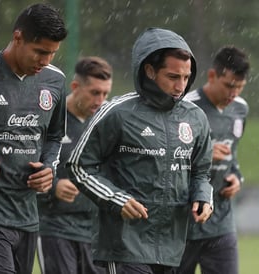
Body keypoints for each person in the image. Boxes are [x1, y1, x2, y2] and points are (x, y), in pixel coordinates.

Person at [66, 27, 214, 274]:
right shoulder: (117, 113)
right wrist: (117, 199)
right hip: (125, 243)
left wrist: (203, 196)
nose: (181, 85)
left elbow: (202, 171)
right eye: (173, 76)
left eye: (186, 77)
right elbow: (79, 167)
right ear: (149, 71)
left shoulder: (195, 117)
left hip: (171, 245)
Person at [0, 3, 67, 274]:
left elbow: (55, 136)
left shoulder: (55, 81)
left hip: (27, 216)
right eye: (40, 52)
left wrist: (49, 167)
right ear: (17, 38)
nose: (46, 61)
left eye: (52, 53)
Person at [37, 56, 113, 274]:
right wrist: (54, 186)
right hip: (55, 228)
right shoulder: (50, 118)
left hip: (97, 233)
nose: (100, 100)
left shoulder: (107, 121)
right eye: (95, 92)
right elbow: (23, 164)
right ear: (75, 87)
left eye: (105, 93)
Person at [178, 46, 250, 274]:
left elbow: (232, 154)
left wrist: (237, 177)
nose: (233, 94)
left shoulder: (240, 109)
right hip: (182, 224)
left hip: (221, 222)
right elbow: (167, 158)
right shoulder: (185, 107)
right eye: (229, 85)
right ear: (212, 76)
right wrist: (205, 152)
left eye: (239, 87)